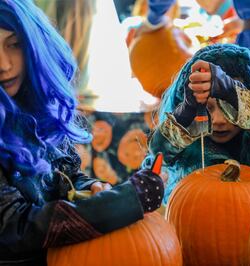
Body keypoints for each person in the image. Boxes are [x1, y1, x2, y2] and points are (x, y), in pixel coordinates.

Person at [0, 1, 163, 265]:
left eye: (14, 44)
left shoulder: (34, 105)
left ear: (34, 46)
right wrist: (123, 202)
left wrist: (89, 188)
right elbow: (14, 228)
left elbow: (64, 178)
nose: (4, 64)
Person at [147, 43, 250, 204]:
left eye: (230, 109)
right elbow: (159, 151)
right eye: (208, 108)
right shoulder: (185, 144)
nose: (219, 120)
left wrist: (233, 93)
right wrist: (187, 112)